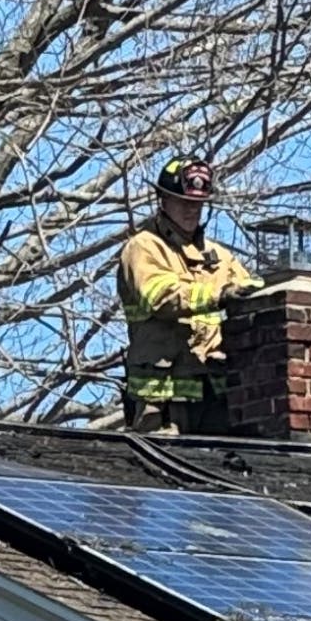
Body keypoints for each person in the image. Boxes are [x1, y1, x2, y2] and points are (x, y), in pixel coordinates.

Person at [116, 156, 263, 434]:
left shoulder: (218, 256)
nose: (191, 210)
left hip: (214, 397)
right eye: (183, 202)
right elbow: (160, 297)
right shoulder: (144, 247)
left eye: (198, 204)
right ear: (163, 200)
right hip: (162, 402)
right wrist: (219, 294)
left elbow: (252, 293)